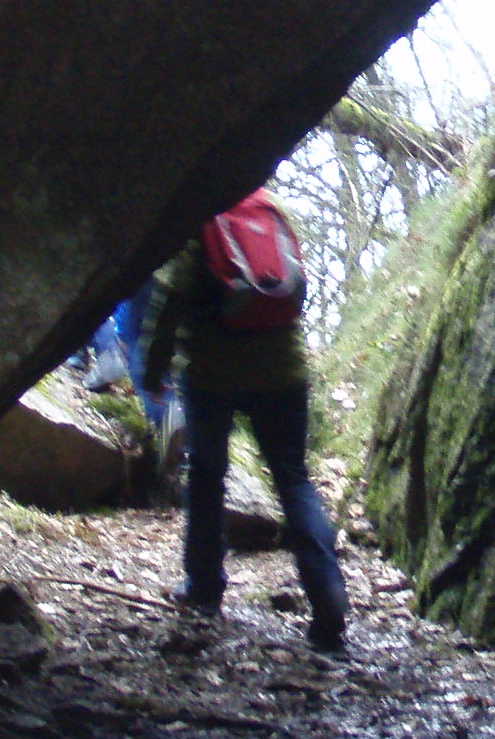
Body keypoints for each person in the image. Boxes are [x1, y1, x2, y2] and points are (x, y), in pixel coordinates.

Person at [142, 198, 351, 654]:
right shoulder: (272, 212)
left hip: (212, 375)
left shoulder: (203, 218)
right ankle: (328, 593)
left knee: (207, 477)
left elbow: (171, 297)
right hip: (284, 373)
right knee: (293, 479)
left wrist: (154, 370)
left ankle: (203, 590)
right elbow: (294, 287)